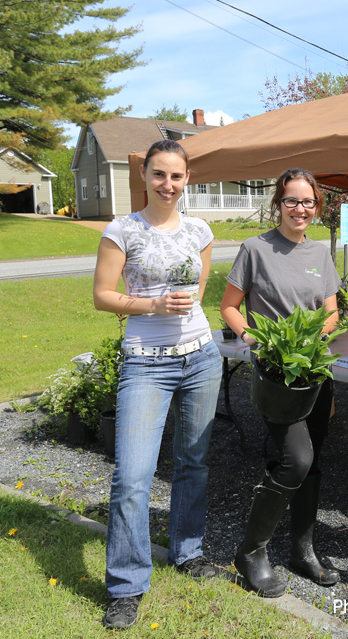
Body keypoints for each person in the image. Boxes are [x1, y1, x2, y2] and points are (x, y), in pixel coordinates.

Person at [93, 140, 223, 630]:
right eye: (159, 175)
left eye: (177, 176)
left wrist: (184, 307)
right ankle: (127, 585)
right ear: (144, 176)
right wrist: (152, 306)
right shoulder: (122, 230)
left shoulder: (200, 229)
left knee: (194, 463)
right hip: (146, 362)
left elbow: (201, 286)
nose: (168, 184)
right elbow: (102, 295)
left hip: (202, 358)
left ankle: (187, 553)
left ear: (187, 179)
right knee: (132, 475)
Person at [221, 168, 342, 597]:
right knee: (296, 459)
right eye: (291, 201)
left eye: (308, 202)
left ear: (317, 206)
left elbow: (332, 311)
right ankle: (252, 551)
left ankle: (302, 550)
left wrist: (317, 338)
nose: (300, 209)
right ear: (278, 203)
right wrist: (253, 337)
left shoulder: (320, 254)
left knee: (312, 463)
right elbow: (230, 307)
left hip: (314, 373)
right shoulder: (255, 249)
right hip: (277, 376)